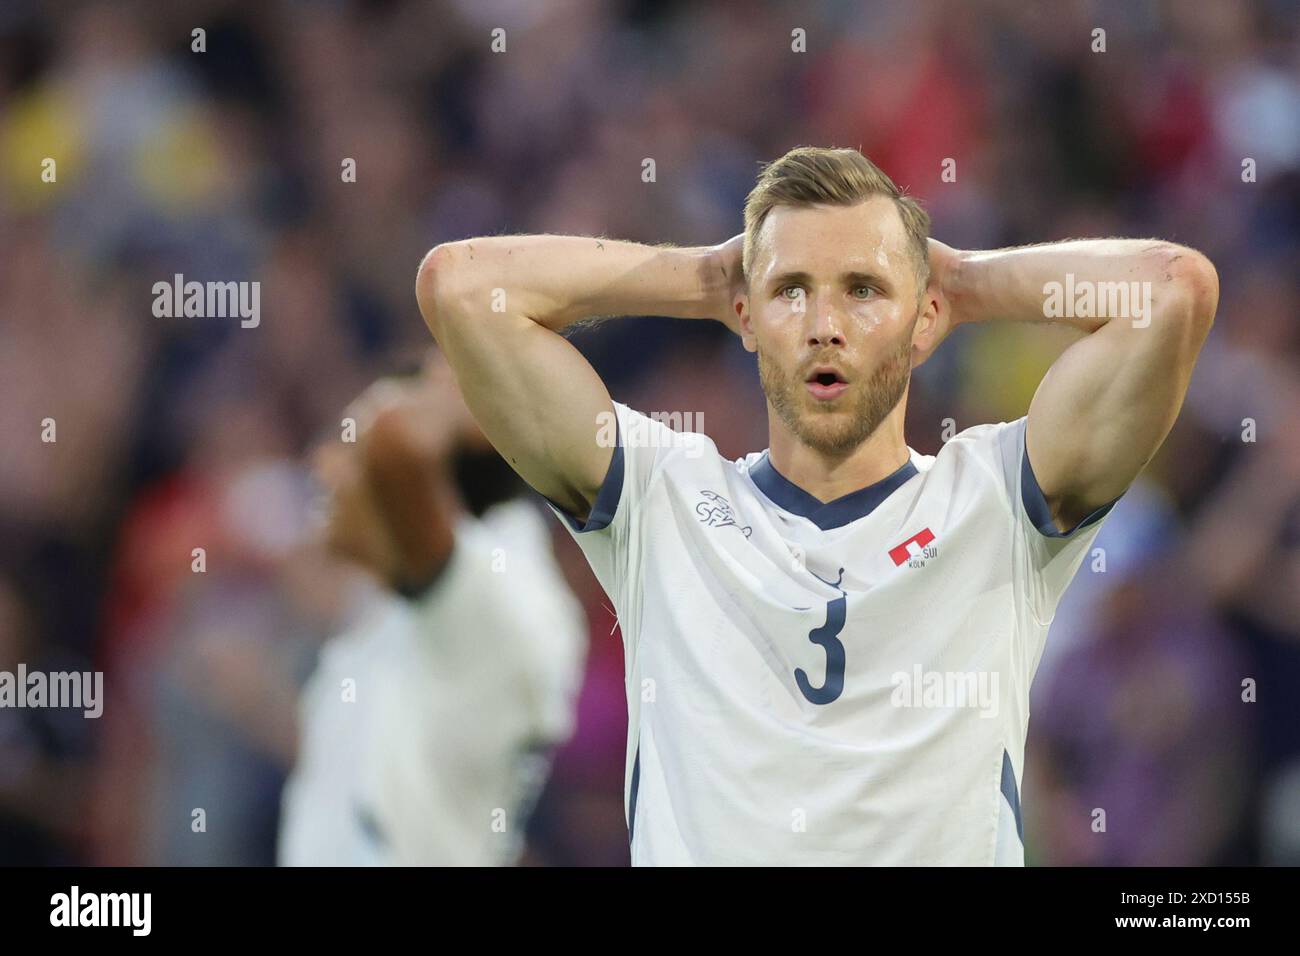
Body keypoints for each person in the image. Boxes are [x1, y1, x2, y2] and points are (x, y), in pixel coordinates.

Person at [415, 146, 1219, 865]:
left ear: (924, 318)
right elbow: (461, 285)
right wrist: (705, 277)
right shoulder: (662, 499)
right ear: (745, 316)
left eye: (864, 290)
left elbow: (1174, 291)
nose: (825, 325)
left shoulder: (1000, 499)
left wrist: (966, 280)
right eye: (791, 292)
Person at [278, 356, 587, 865]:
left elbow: (398, 439)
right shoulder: (398, 615)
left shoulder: (495, 589)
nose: (324, 465)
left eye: (352, 450)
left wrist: (477, 383)